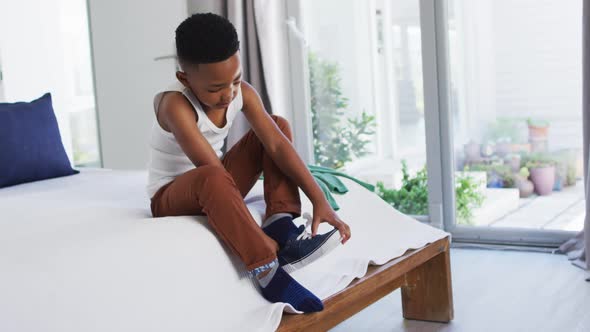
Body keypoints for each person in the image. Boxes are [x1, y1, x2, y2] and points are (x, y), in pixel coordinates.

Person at [147, 13, 351, 313]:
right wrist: (256, 239)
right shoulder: (174, 105)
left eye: (235, 80)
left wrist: (319, 200)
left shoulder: (240, 93)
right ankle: (267, 270)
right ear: (185, 79)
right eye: (215, 88)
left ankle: (280, 222)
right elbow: (212, 171)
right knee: (211, 177)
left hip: (216, 186)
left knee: (276, 126)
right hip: (171, 196)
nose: (228, 94)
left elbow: (278, 146)